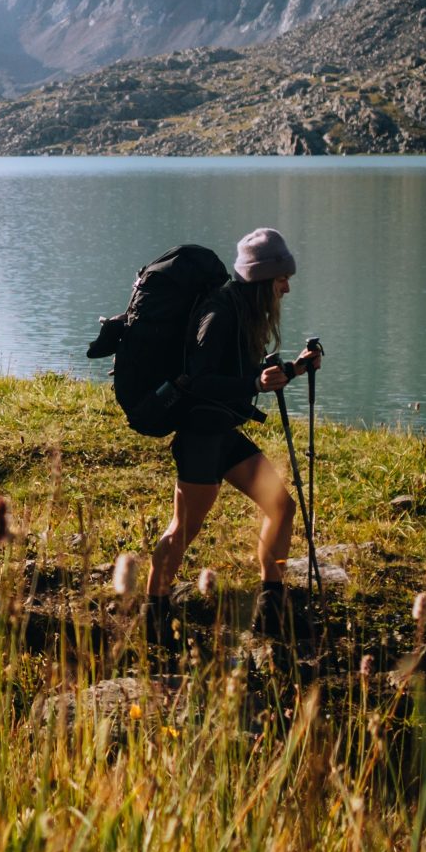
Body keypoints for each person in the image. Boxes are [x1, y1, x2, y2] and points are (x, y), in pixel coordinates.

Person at [142, 227, 322, 641]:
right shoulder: (219, 313)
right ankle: (153, 618)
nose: (287, 288)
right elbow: (199, 381)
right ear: (262, 279)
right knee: (183, 529)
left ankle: (270, 607)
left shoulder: (243, 310)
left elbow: (250, 378)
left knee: (282, 507)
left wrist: (296, 368)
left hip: (222, 433)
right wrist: (256, 385)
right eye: (282, 280)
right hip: (201, 437)